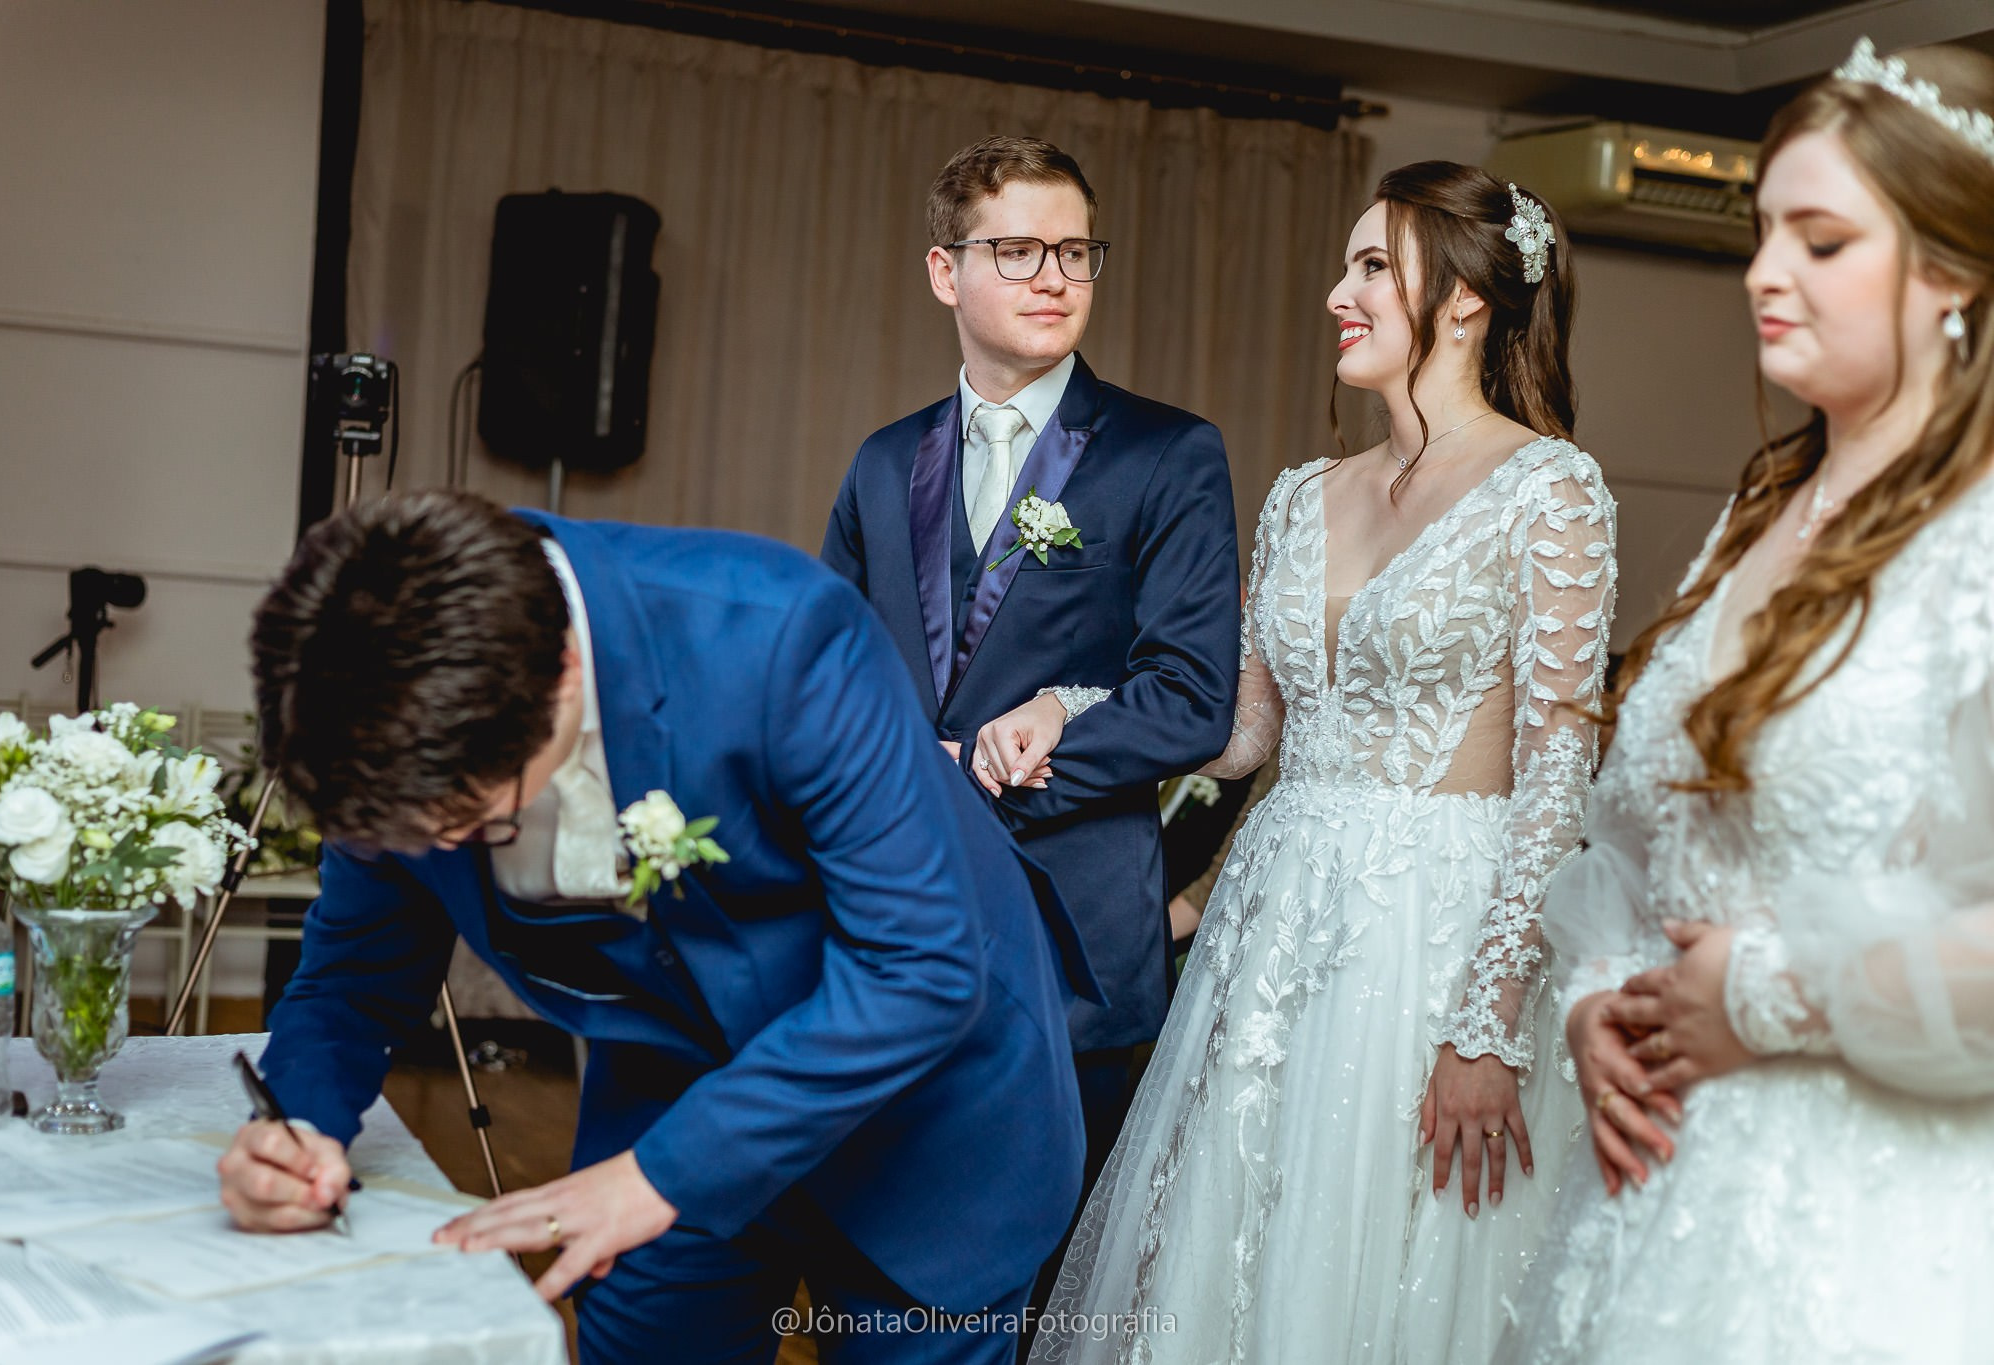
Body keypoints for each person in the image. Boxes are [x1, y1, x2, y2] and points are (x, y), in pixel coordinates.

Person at [213, 490, 1099, 1365]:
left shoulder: (777, 635)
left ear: (561, 673)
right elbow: (355, 974)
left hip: (931, 1114)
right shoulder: (374, 706)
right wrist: (297, 1126)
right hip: (667, 1088)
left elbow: (918, 969)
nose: (436, 849)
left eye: (466, 819)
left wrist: (663, 1173)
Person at [1032, 161, 1616, 1363]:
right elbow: (1237, 732)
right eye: (1344, 266)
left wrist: (1487, 1027)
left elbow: (1560, 776)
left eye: (1369, 267)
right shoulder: (1302, 494)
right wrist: (1064, 709)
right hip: (1275, 924)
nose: (1334, 294)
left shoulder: (1550, 491)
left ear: (1462, 300)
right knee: (1228, 1253)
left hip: (1433, 936)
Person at [1499, 40, 1994, 1364]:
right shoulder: (1757, 511)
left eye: (1822, 241)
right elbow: (1634, 836)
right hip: (1661, 1204)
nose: (1765, 274)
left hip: (1880, 1232)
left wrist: (1765, 997)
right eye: (1765, 231)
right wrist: (1602, 996)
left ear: (1951, 269)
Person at [819, 135, 1241, 1263]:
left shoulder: (1166, 454)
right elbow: (832, 684)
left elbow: (1193, 696)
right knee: (890, 1264)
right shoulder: (879, 463)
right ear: (943, 271)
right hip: (899, 917)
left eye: (1074, 250)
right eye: (1015, 250)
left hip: (1073, 936)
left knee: (1053, 1277)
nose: (1053, 276)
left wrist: (1042, 738)